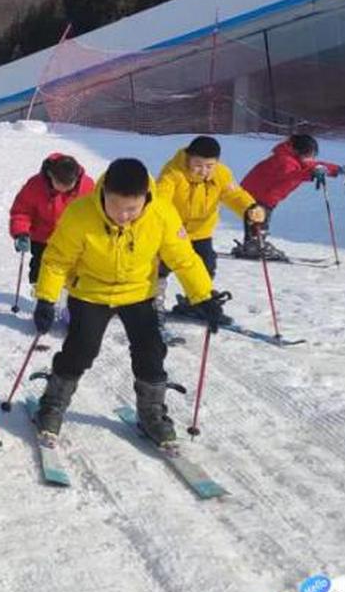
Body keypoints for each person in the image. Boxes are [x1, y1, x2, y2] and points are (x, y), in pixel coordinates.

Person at [31, 158, 223, 450]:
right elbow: (57, 260)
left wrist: (204, 296)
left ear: (145, 198)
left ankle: (151, 414)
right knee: (80, 351)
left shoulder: (161, 214)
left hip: (138, 293)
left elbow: (183, 259)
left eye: (132, 209)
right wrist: (46, 298)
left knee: (151, 352)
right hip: (91, 292)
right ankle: (53, 403)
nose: (123, 216)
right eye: (116, 207)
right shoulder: (80, 214)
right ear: (103, 193)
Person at [155, 135, 264, 321]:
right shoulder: (172, 173)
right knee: (160, 268)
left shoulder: (221, 174)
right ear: (188, 159)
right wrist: (169, 227)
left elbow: (235, 195)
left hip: (200, 232)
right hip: (173, 233)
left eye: (209, 166)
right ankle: (153, 304)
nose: (203, 171)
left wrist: (250, 208)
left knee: (206, 267)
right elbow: (161, 203)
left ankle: (196, 303)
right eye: (198, 164)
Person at [235, 134, 345, 260]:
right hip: (255, 196)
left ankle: (253, 244)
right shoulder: (284, 161)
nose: (310, 158)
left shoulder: (294, 159)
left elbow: (315, 165)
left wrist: (337, 169)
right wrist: (311, 173)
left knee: (259, 220)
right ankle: (254, 246)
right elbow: (291, 175)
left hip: (264, 196)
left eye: (312, 155)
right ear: (297, 151)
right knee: (258, 220)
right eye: (308, 155)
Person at [8, 153, 93, 285]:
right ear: (50, 175)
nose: (63, 189)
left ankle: (66, 299)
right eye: (59, 184)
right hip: (42, 238)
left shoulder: (87, 186)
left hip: (72, 240)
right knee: (40, 269)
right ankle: (39, 296)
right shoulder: (35, 185)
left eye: (68, 186)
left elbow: (93, 214)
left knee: (72, 271)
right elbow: (21, 211)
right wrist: (21, 233)